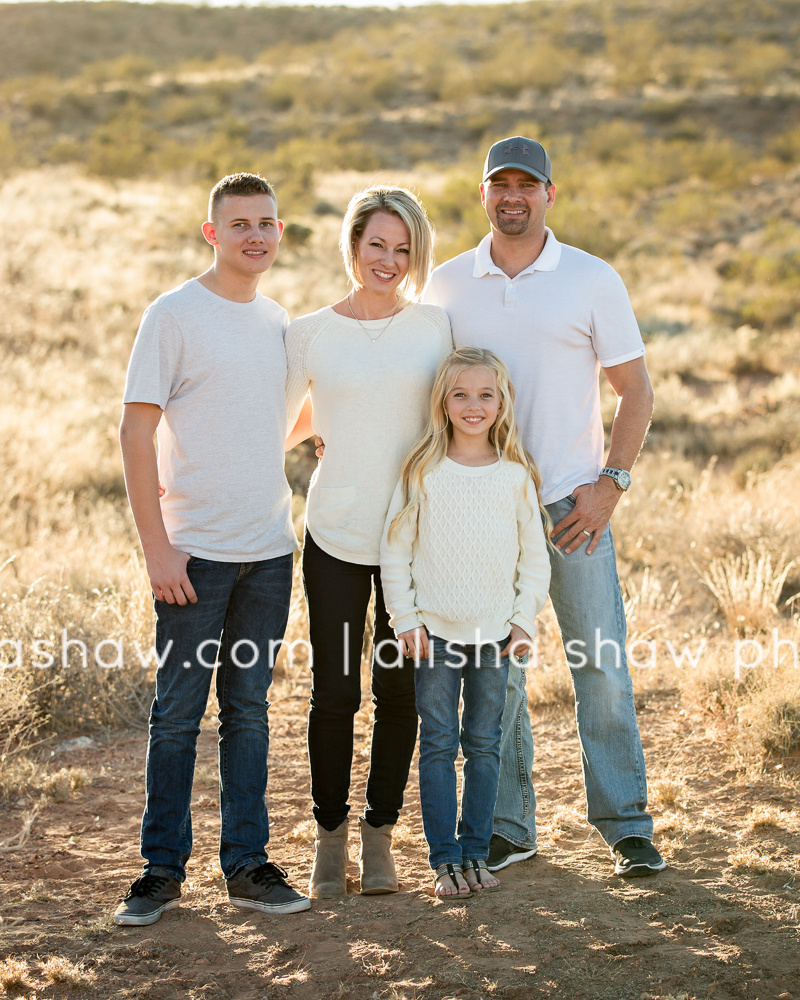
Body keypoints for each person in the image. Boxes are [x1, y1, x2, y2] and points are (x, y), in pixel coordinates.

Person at [423, 137, 663, 878]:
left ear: (551, 194)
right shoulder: (448, 283)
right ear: (484, 194)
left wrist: (610, 485)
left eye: (528, 184)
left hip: (572, 503)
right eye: (501, 184)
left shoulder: (592, 278)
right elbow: (426, 383)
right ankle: (509, 825)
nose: (513, 196)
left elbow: (638, 390)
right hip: (483, 503)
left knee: (599, 663)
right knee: (502, 672)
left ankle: (625, 824)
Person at [115, 172, 310, 926]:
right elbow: (135, 432)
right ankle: (160, 872)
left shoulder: (278, 322)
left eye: (266, 223)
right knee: (176, 717)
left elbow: (271, 421)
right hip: (192, 557)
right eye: (239, 225)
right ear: (212, 233)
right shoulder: (174, 316)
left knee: (249, 713)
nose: (254, 236)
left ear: (279, 232)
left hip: (269, 551)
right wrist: (157, 551)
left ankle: (248, 866)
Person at [285, 186, 452, 898]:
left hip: (412, 541)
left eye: (402, 248)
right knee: (334, 693)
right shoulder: (309, 333)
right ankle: (330, 842)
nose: (388, 260)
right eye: (376, 244)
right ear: (352, 245)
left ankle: (380, 837)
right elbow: (278, 424)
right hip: (336, 539)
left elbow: (461, 416)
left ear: (416, 254)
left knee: (400, 692)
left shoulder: (437, 328)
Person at [380, 348, 551, 898]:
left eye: (485, 394)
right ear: (443, 401)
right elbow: (396, 549)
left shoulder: (515, 475)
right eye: (460, 394)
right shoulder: (422, 470)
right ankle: (444, 859)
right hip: (433, 636)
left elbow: (534, 558)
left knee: (484, 744)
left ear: (502, 402)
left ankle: (477, 852)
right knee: (437, 743)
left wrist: (523, 622)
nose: (473, 405)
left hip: (495, 637)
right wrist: (405, 619)